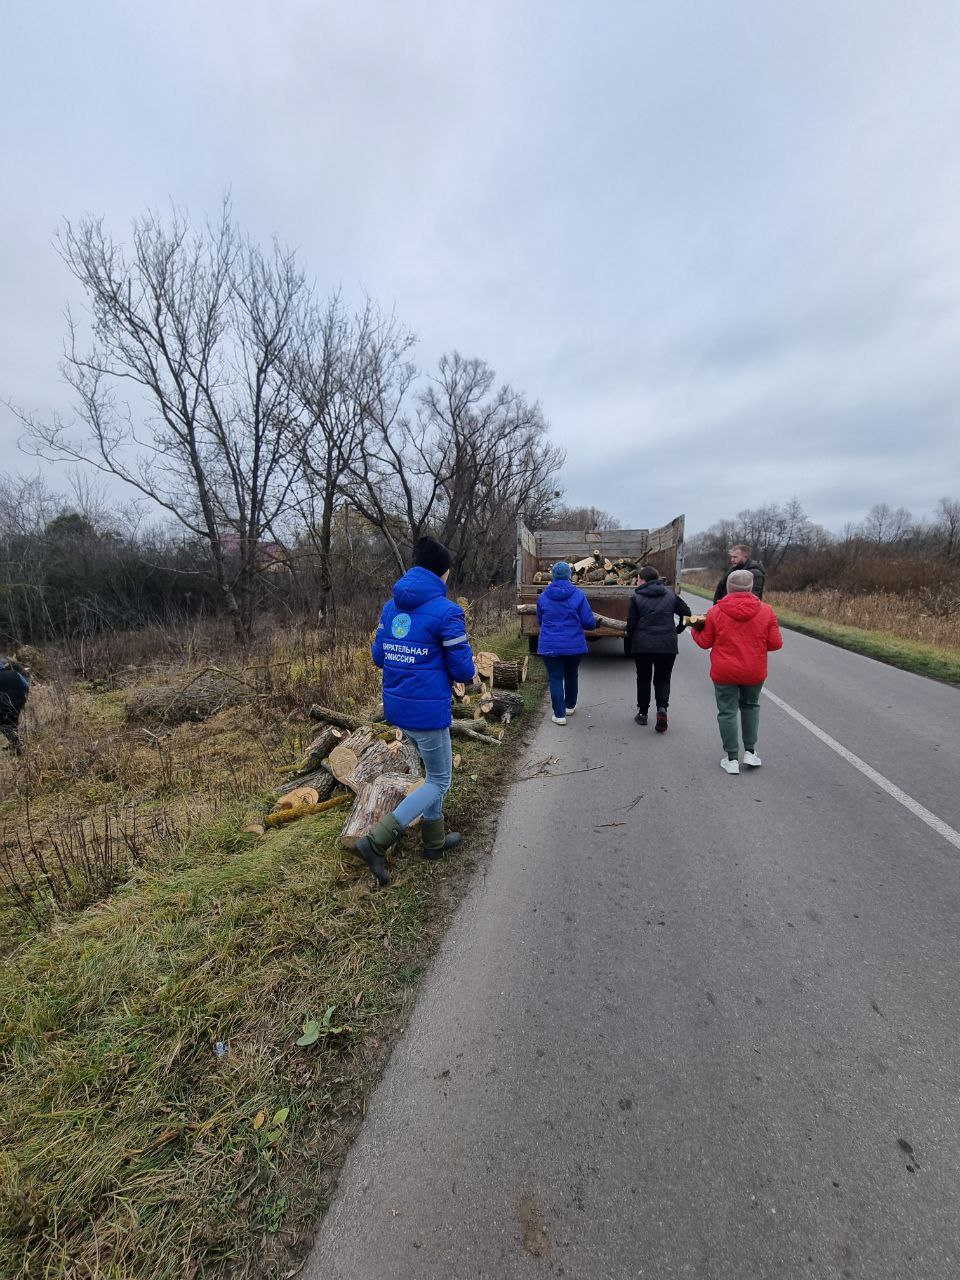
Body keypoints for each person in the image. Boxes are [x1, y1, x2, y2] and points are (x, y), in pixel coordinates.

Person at [356, 537, 477, 886]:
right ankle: (376, 841)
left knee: (430, 775)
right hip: (427, 712)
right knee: (440, 779)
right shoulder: (448, 611)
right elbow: (465, 670)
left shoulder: (390, 607)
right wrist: (461, 675)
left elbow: (379, 657)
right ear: (443, 572)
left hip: (398, 707)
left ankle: (434, 842)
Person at [690, 568, 783, 774]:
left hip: (724, 670)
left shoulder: (716, 612)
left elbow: (705, 642)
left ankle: (731, 758)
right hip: (754, 670)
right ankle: (750, 751)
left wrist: (695, 632)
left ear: (728, 587)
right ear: (751, 588)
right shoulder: (766, 611)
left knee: (727, 711)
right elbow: (776, 644)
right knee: (750, 707)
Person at [626, 566, 692, 732]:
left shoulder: (636, 597)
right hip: (667, 645)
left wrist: (633, 637)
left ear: (644, 580)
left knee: (643, 678)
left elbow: (631, 624)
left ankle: (642, 714)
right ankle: (662, 709)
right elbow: (687, 614)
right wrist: (677, 630)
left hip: (643, 646)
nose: (637, 581)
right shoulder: (670, 595)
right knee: (663, 678)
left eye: (638, 579)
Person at [536, 561, 596, 725]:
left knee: (555, 678)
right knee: (571, 674)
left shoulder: (542, 597)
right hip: (574, 644)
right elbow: (588, 622)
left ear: (553, 576)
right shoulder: (578, 594)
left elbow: (540, 620)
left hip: (550, 644)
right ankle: (570, 706)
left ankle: (559, 715)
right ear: (569, 576)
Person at [0, 657, 30, 754]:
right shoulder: (15, 674)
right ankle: (14, 745)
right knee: (13, 723)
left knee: (4, 725)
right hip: (19, 703)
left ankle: (17, 747)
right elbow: (26, 685)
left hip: (4, 706)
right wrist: (22, 699)